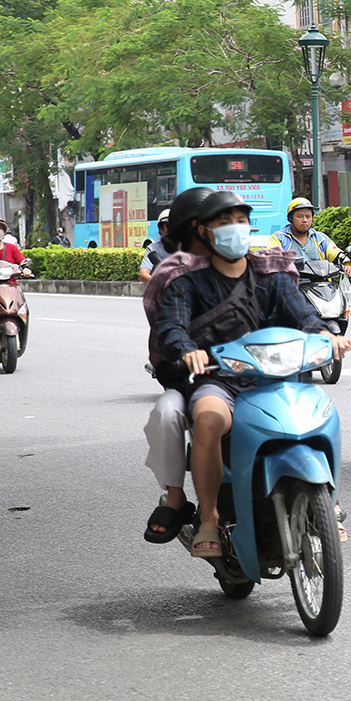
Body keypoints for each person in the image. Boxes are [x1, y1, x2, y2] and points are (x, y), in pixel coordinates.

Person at [156, 191, 351, 557]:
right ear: (204, 231)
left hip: (277, 377)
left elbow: (304, 316)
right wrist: (188, 351)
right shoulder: (188, 283)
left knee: (321, 413)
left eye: (241, 221)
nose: (235, 228)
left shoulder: (272, 276)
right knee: (208, 419)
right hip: (220, 379)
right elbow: (172, 328)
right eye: (224, 222)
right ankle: (211, 519)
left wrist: (328, 336)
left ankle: (330, 501)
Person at [141, 189, 213, 543]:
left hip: (249, 375)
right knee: (168, 414)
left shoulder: (251, 263)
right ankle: (175, 496)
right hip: (190, 378)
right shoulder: (170, 273)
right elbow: (164, 329)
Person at [272, 197, 351, 274]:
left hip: (321, 285)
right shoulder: (279, 238)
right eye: (299, 216)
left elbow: (334, 252)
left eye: (308, 216)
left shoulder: (321, 238)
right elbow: (271, 258)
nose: (304, 220)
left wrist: (347, 263)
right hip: (291, 285)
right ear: (290, 218)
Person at [138, 209, 173, 284]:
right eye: (168, 225)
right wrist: (162, 283)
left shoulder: (188, 247)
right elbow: (143, 274)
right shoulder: (153, 249)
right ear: (161, 228)